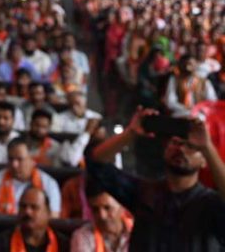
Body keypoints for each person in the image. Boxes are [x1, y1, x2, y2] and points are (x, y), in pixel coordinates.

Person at [88, 107, 225, 250]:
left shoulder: (211, 204)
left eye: (191, 146)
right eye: (175, 143)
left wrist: (207, 147)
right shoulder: (144, 192)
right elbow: (96, 164)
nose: (181, 149)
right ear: (165, 150)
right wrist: (130, 133)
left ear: (204, 161)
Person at [0, 138, 61, 217]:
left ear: (32, 159)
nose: (14, 165)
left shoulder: (49, 184)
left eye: (20, 159)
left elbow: (53, 216)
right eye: (11, 159)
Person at [0, 186, 70, 252]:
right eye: (23, 206)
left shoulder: (63, 244)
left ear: (48, 213)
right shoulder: (2, 242)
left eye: (34, 207)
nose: (27, 212)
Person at [70, 184, 132, 252]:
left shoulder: (141, 233)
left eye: (107, 208)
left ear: (122, 207)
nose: (102, 216)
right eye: (95, 209)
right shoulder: (83, 236)